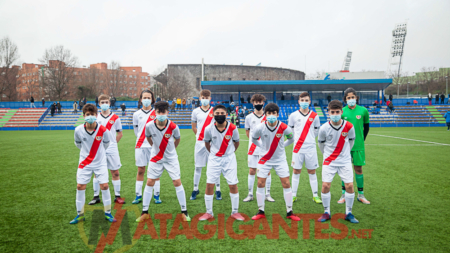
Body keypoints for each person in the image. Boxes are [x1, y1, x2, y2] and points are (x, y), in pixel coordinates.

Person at [136, 101, 191, 222]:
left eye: (163, 112)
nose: (161, 114)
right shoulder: (149, 125)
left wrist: (170, 151)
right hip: (156, 158)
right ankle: (144, 212)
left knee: (177, 182)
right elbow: (148, 137)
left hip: (171, 159)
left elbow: (177, 140)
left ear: (167, 112)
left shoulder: (173, 127)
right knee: (150, 181)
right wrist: (156, 149)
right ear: (155, 112)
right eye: (158, 112)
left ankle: (184, 211)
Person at [250, 103, 300, 221]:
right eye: (269, 113)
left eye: (273, 113)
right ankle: (261, 211)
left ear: (277, 114)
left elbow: (291, 138)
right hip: (264, 159)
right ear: (265, 115)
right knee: (260, 183)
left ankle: (289, 211)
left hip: (280, 160)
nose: (271, 115)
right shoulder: (260, 127)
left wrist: (283, 146)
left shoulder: (283, 127)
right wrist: (261, 146)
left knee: (286, 183)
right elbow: (253, 139)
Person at [70, 104, 116, 224]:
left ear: (96, 115)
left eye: (92, 114)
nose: (90, 116)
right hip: (85, 162)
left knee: (105, 186)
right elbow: (78, 144)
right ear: (84, 116)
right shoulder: (78, 130)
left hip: (100, 162)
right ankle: (80, 214)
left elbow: (106, 144)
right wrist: (88, 155)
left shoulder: (103, 130)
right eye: (87, 115)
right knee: (80, 186)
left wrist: (98, 155)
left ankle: (108, 213)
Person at [198, 104, 245, 221]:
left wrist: (229, 153)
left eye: (222, 114)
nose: (219, 116)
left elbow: (236, 143)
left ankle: (235, 212)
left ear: (226, 115)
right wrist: (215, 154)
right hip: (214, 159)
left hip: (229, 159)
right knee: (209, 184)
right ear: (213, 115)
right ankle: (209, 212)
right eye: (217, 114)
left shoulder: (233, 128)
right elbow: (207, 144)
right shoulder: (208, 129)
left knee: (233, 184)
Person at [317, 100, 359, 224]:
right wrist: (328, 156)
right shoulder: (323, 128)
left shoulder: (349, 126)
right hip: (329, 161)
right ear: (328, 112)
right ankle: (326, 212)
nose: (335, 114)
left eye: (337, 112)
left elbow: (351, 142)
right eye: (332, 112)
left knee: (349, 186)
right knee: (325, 185)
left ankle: (349, 213)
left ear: (341, 112)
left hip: (345, 161)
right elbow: (321, 145)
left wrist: (344, 154)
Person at [88, 94, 125, 206]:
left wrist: (112, 144)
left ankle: (117, 196)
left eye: (106, 102)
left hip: (112, 148)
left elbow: (120, 133)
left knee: (115, 172)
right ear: (99, 104)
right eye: (102, 102)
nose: (104, 104)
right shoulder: (96, 118)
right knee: (96, 172)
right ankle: (96, 196)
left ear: (109, 103)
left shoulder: (116, 118)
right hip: (98, 148)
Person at [288, 92, 322, 204]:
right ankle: (293, 195)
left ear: (310, 101)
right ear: (298, 102)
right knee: (296, 171)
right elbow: (291, 131)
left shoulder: (315, 116)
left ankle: (315, 195)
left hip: (310, 148)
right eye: (302, 100)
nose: (304, 102)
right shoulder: (293, 115)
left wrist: (310, 138)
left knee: (312, 171)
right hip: (298, 148)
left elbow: (316, 130)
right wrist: (298, 139)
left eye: (306, 100)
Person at [340, 88, 370, 204]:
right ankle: (343, 194)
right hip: (345, 146)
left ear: (356, 98)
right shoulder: (342, 111)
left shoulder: (363, 111)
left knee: (358, 169)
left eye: (353, 97)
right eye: (348, 98)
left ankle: (361, 195)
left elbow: (366, 127)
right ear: (345, 99)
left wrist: (362, 140)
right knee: (344, 170)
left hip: (358, 145)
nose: (351, 99)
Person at [132, 90, 162, 205]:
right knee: (141, 170)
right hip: (140, 145)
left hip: (153, 146)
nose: (146, 100)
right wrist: (142, 139)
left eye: (149, 98)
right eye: (144, 97)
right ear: (140, 99)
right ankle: (138, 195)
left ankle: (157, 195)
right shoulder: (136, 114)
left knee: (155, 171)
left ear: (152, 99)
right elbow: (136, 131)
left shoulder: (156, 113)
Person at [190, 89, 221, 200]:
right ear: (200, 98)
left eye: (207, 97)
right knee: (198, 167)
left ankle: (218, 189)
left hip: (212, 143)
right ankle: (195, 189)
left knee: (214, 166)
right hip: (199, 143)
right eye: (203, 97)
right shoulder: (195, 111)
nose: (205, 99)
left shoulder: (215, 111)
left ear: (210, 99)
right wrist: (199, 136)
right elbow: (194, 127)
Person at [243, 94, 274, 202]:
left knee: (267, 171)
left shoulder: (268, 117)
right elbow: (248, 132)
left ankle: (268, 194)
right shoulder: (248, 117)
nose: (258, 104)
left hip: (265, 149)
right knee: (252, 170)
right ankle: (250, 194)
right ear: (253, 103)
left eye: (260, 102)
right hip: (253, 148)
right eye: (256, 102)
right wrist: (255, 142)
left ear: (263, 103)